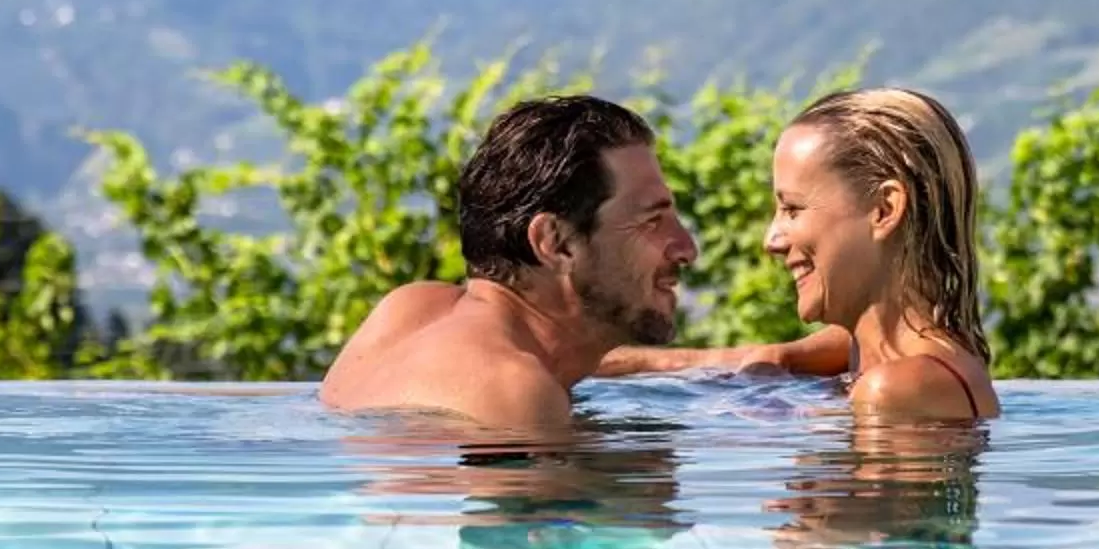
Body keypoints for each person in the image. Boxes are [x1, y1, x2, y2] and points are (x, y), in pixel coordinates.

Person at [320, 94, 831, 436]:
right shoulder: (516, 399)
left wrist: (749, 359)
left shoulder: (412, 310)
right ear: (555, 241)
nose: (685, 248)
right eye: (651, 222)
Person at [606, 85, 999, 421]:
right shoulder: (871, 349)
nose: (772, 240)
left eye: (792, 209)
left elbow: (836, 510)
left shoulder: (896, 388)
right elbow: (775, 356)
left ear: (884, 210)